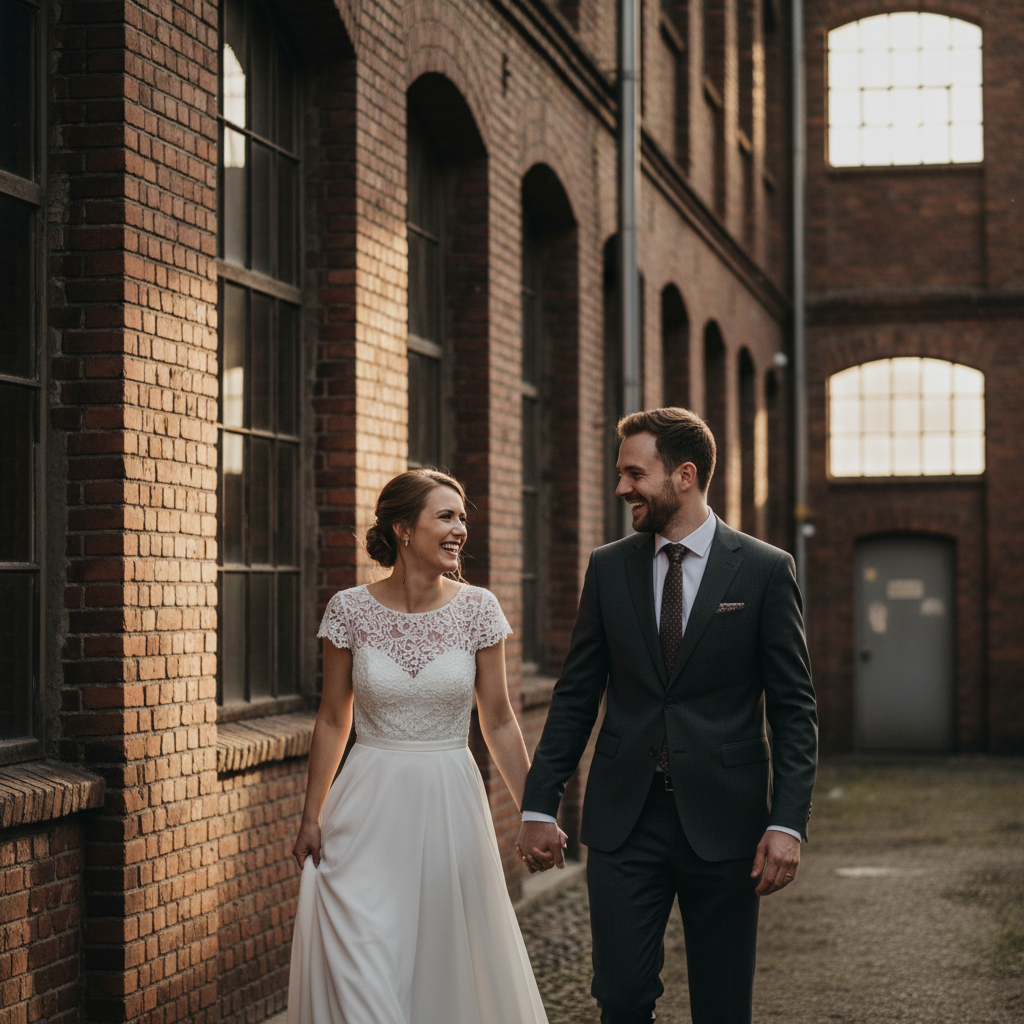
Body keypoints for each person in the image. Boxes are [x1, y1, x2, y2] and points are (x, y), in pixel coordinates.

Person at [516, 407, 817, 1024]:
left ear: (684, 475)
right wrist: (539, 803)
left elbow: (793, 708)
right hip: (626, 818)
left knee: (722, 1003)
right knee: (621, 996)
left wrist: (787, 823)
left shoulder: (764, 570)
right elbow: (576, 694)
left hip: (727, 821)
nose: (621, 487)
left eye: (634, 473)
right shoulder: (608, 567)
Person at [287, 468, 555, 1024]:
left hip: (447, 804)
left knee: (442, 957)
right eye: (446, 516)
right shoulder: (349, 610)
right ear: (404, 530)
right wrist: (311, 814)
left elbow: (500, 721)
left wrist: (536, 812)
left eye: (463, 518)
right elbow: (334, 719)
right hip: (364, 807)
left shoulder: (479, 609)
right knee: (360, 954)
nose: (460, 529)